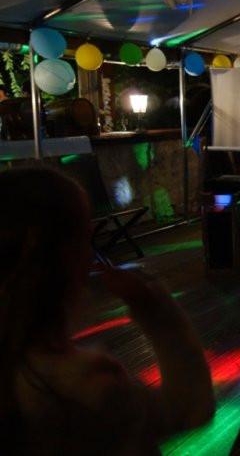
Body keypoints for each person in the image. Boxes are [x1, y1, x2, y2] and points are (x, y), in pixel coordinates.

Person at [0, 167, 214, 454]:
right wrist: (153, 307)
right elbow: (189, 407)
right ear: (68, 261)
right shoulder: (90, 388)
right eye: (85, 240)